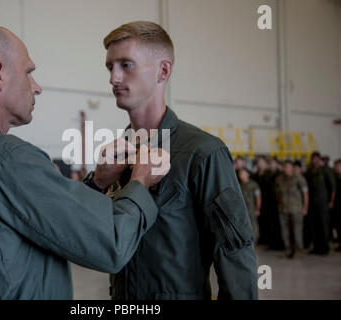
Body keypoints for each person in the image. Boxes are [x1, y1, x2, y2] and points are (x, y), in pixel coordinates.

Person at [0, 23, 170, 299]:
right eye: (28, 72)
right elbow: (111, 243)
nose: (37, 87)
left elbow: (40, 224)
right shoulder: (7, 159)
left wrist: (97, 182)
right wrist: (139, 181)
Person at [99, 21, 258, 300]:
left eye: (126, 65)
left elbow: (234, 250)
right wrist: (97, 183)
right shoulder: (116, 156)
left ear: (163, 71)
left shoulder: (203, 152)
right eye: (110, 66)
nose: (113, 77)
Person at [275, 160, 309, 258]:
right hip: (283, 209)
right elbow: (278, 194)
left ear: (292, 168)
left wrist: (305, 207)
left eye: (288, 167)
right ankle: (288, 249)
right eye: (284, 166)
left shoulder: (299, 179)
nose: (286, 169)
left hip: (296, 209)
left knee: (297, 231)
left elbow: (305, 194)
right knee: (285, 232)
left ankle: (298, 250)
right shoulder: (279, 179)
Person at [305, 152, 336, 255]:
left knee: (323, 225)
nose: (314, 160)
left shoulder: (325, 170)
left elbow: (332, 187)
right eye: (313, 158)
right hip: (312, 204)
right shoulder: (310, 172)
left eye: (316, 158)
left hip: (323, 203)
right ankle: (316, 247)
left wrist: (331, 201)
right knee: (314, 225)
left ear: (319, 159)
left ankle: (325, 248)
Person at [237, 168, 261, 243]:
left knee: (253, 225)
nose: (241, 175)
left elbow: (258, 197)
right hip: (242, 210)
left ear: (248, 174)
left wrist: (258, 208)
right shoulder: (238, 184)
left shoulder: (253, 184)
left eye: (243, 173)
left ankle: (255, 240)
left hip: (251, 209)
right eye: (240, 173)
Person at [251, 156, 271, 246]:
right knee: (259, 221)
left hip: (268, 201)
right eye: (258, 162)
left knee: (268, 221)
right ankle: (261, 239)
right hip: (257, 200)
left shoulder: (269, 174)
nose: (260, 164)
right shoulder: (254, 175)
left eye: (261, 162)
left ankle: (268, 239)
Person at [333, 159, 341, 251]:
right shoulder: (336, 177)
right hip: (337, 205)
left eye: (338, 166)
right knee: (338, 225)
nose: (336, 168)